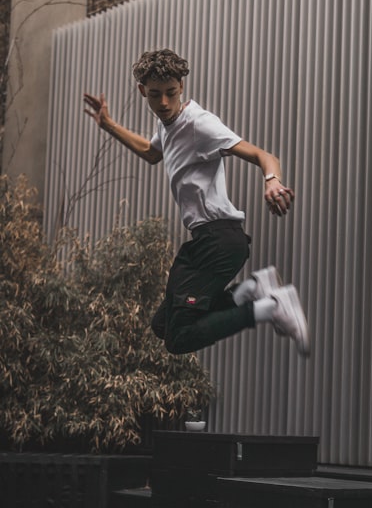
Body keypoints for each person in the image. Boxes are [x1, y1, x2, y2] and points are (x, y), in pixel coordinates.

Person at [83, 48, 310, 357]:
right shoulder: (167, 125)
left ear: (181, 87)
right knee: (163, 324)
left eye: (170, 93)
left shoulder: (199, 124)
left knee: (180, 337)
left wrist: (272, 180)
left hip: (218, 240)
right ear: (142, 92)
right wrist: (108, 124)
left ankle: (270, 307)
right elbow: (152, 153)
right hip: (206, 240)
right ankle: (251, 289)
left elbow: (263, 156)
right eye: (155, 95)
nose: (163, 103)